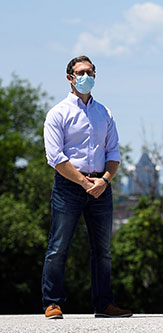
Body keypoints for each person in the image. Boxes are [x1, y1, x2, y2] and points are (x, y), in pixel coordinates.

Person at [42, 55, 132, 319]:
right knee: (58, 246)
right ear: (70, 78)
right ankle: (52, 302)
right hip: (70, 185)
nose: (86, 76)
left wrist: (103, 181)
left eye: (90, 72)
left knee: (103, 250)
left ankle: (104, 304)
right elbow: (55, 157)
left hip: (101, 186)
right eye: (81, 72)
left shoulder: (104, 112)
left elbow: (113, 152)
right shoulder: (58, 113)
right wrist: (83, 182)